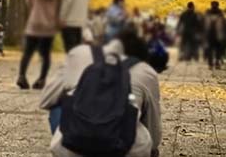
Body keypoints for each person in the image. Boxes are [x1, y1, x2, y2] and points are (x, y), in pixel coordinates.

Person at [40, 28, 162, 157]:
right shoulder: (145, 71)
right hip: (125, 149)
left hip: (70, 147)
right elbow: (153, 128)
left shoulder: (79, 54)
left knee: (59, 103)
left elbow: (46, 100)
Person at [17, 0, 60, 90]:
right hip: (48, 26)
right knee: (45, 55)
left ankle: (22, 76)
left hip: (34, 24)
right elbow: (59, 7)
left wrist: (36, 11)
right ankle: (41, 79)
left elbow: (28, 1)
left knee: (28, 52)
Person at [203, 1, 226, 69]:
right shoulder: (220, 13)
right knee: (218, 50)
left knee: (210, 49)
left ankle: (210, 64)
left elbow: (204, 24)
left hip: (210, 35)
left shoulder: (208, 12)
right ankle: (217, 63)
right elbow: (224, 25)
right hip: (218, 34)